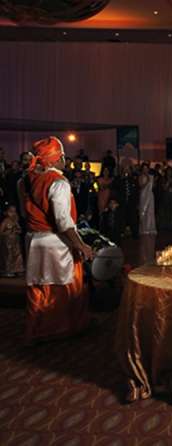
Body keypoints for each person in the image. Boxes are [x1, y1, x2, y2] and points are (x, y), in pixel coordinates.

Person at [19, 136, 93, 344]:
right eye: (62, 156)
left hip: (32, 239)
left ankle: (34, 330)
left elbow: (25, 213)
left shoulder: (24, 179)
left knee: (38, 286)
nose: (65, 160)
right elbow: (63, 221)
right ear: (53, 160)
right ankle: (64, 328)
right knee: (65, 285)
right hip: (55, 242)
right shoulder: (58, 182)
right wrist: (81, 245)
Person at [0, 204, 25, 277]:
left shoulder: (15, 221)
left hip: (15, 241)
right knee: (9, 256)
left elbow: (19, 229)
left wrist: (18, 230)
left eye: (14, 211)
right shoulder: (5, 222)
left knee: (17, 255)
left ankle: (17, 269)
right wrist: (9, 233)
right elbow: (0, 232)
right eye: (10, 211)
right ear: (5, 212)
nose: (13, 213)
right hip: (8, 242)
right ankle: (8, 270)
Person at [115, 164, 139, 238]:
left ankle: (135, 233)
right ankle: (121, 232)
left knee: (133, 218)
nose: (126, 171)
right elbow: (115, 189)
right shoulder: (118, 180)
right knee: (121, 217)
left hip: (131, 202)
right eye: (125, 169)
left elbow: (136, 192)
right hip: (122, 202)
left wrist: (137, 203)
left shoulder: (133, 180)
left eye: (128, 169)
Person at [138, 162, 156, 235]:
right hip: (143, 194)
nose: (145, 170)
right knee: (143, 211)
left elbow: (154, 187)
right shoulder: (141, 177)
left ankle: (150, 228)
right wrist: (148, 181)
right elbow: (141, 186)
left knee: (150, 211)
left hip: (150, 195)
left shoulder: (151, 176)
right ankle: (144, 228)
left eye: (146, 168)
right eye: (144, 168)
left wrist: (153, 181)